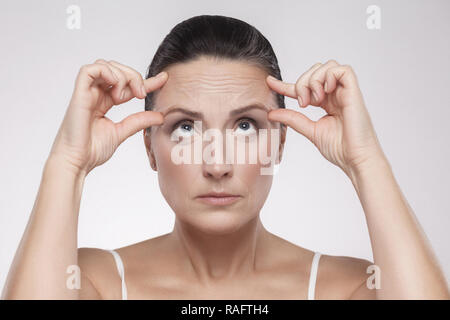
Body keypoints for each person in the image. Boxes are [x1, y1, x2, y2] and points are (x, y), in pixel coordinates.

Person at [2, 15, 448, 300]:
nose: (217, 165)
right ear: (149, 149)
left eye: (245, 126)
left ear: (280, 143)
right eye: (185, 128)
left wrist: (365, 159)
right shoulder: (93, 281)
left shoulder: (347, 288)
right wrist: (68, 161)